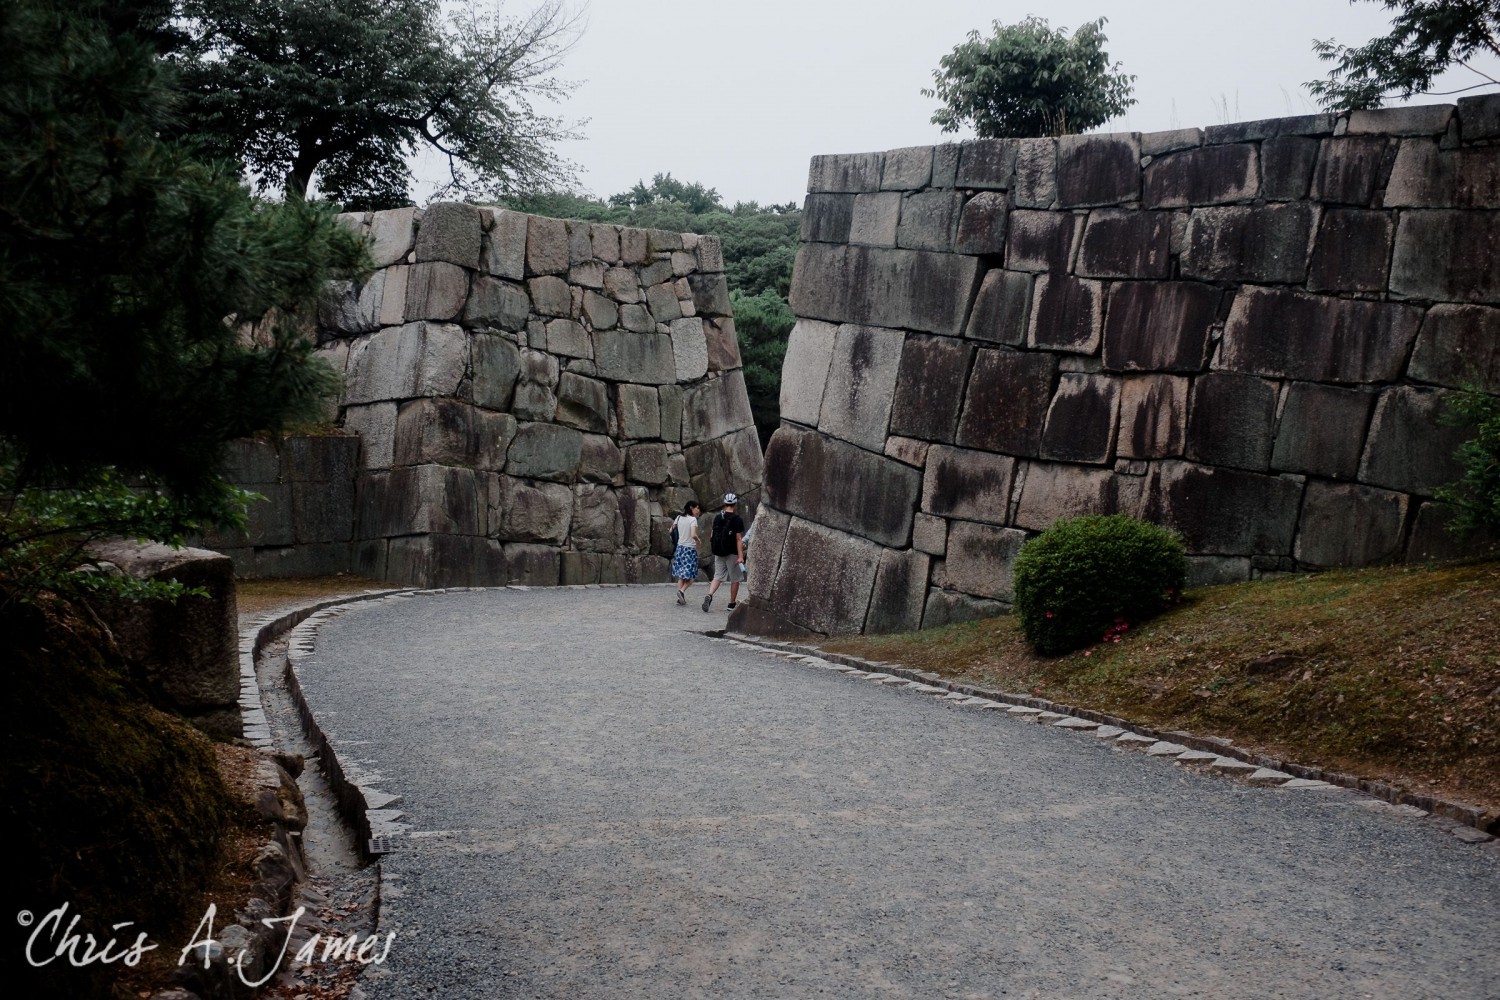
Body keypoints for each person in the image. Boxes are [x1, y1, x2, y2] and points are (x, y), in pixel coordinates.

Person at [702, 492, 745, 612]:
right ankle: (731, 604)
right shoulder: (737, 519)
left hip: (719, 551)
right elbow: (738, 539)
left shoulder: (717, 517)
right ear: (735, 503)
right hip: (732, 552)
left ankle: (709, 594)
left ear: (724, 503)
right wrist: (740, 556)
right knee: (735, 578)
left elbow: (712, 535)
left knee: (718, 576)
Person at [671, 500, 702, 606]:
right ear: (691, 508)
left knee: (681, 576)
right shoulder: (693, 520)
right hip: (689, 550)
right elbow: (693, 534)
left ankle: (680, 598)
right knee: (691, 576)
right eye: (697, 507)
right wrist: (698, 540)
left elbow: (671, 530)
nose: (698, 510)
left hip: (680, 549)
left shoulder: (679, 517)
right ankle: (682, 591)